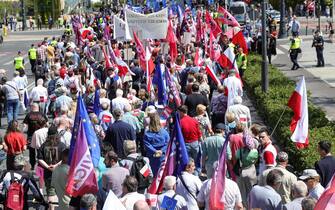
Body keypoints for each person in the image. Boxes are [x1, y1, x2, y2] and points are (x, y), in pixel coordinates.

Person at [37, 126, 67, 210]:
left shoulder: (43, 145)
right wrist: (56, 165)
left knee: (51, 192)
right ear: (57, 134)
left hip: (48, 173)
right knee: (61, 192)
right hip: (60, 172)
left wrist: (47, 166)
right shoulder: (61, 145)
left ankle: (52, 208)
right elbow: (65, 159)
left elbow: (39, 159)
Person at [23, 103, 47, 169]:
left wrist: (23, 131)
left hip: (31, 135)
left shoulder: (28, 115)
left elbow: (25, 126)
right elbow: (47, 123)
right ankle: (42, 165)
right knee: (41, 150)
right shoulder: (42, 114)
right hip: (41, 135)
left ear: (32, 107)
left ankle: (32, 165)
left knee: (31, 152)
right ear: (38, 107)